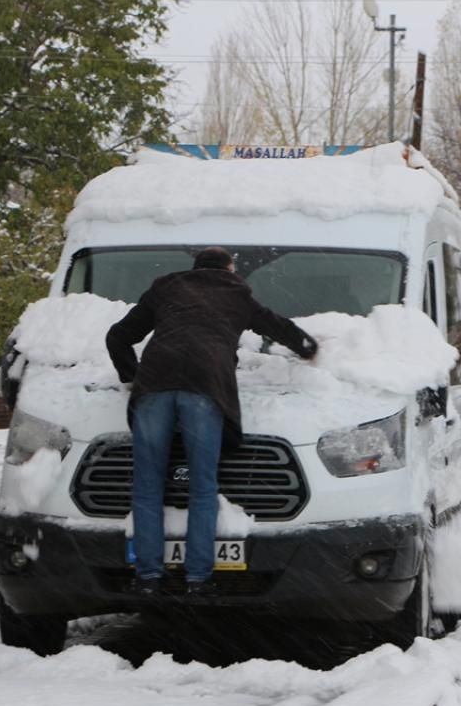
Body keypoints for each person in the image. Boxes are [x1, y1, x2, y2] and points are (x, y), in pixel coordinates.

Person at [105, 246, 318, 597]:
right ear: (230, 268)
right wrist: (310, 347)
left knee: (147, 487)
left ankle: (147, 578)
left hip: (155, 384)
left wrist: (133, 375)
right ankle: (197, 579)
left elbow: (118, 336)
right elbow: (277, 327)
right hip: (204, 387)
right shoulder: (236, 293)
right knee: (202, 486)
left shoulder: (167, 287)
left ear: (195, 267)